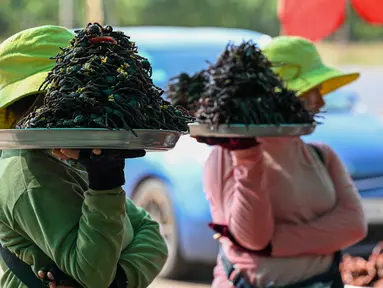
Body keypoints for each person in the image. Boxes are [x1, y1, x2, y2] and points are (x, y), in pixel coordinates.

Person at [0, 25, 168, 288]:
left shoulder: (71, 158)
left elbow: (152, 236)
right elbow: (93, 274)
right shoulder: (28, 173)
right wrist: (104, 185)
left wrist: (121, 279)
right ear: (36, 101)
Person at [200, 36, 367, 287]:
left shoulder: (322, 155)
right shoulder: (226, 155)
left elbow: (354, 226)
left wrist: (274, 244)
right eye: (311, 91)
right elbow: (253, 237)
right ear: (279, 95)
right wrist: (246, 155)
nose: (320, 102)